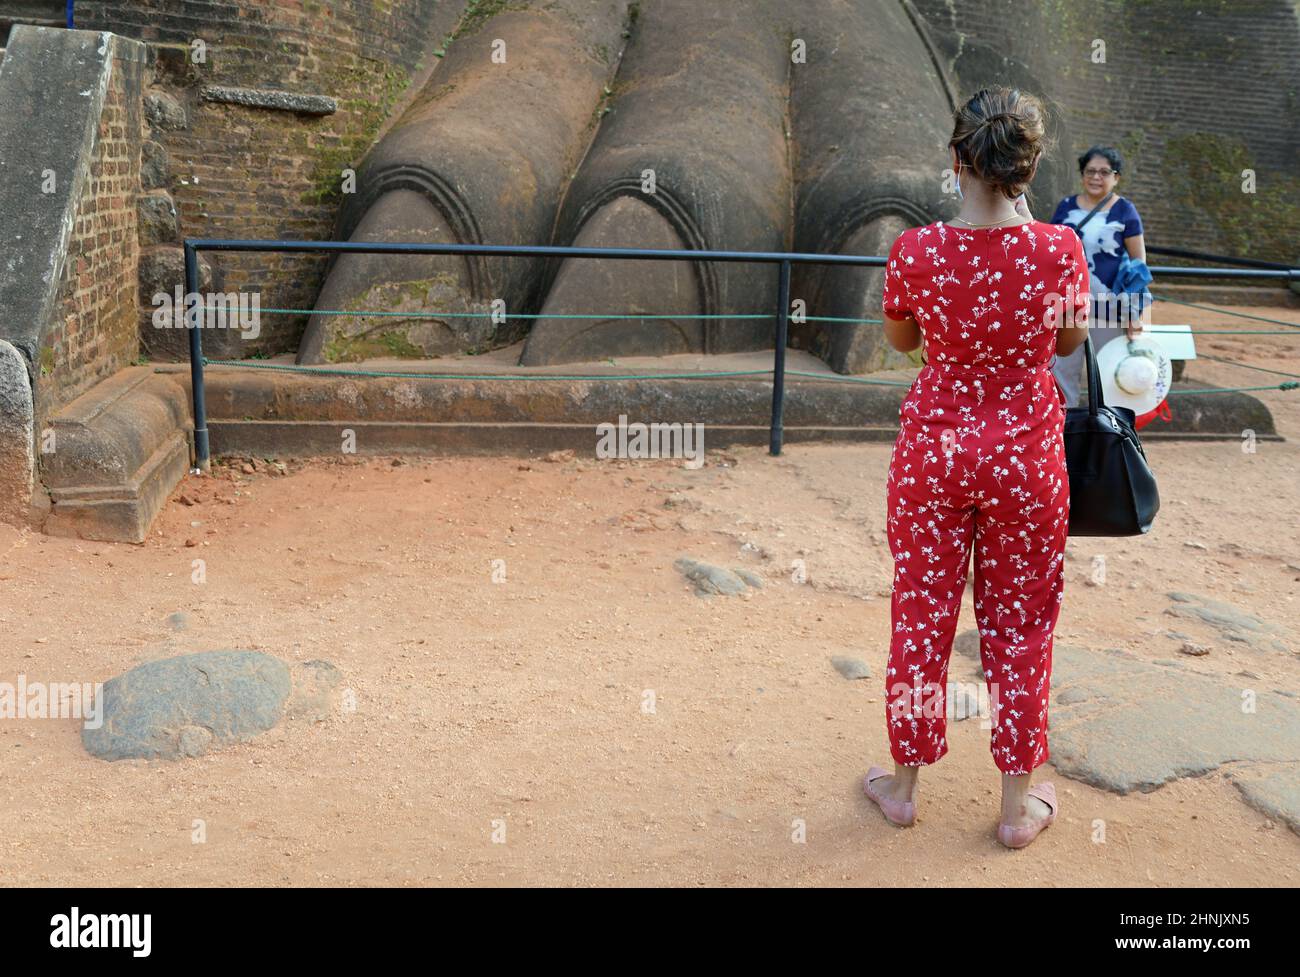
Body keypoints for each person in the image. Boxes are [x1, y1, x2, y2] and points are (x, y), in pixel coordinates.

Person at [866, 86, 1090, 849]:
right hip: (1026, 455)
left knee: (921, 613)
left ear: (957, 158)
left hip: (935, 450)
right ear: (1026, 166)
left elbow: (901, 342)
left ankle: (903, 788)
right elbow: (1064, 347)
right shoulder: (1061, 248)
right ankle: (1015, 807)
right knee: (1023, 624)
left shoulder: (917, 249)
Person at [1049, 145, 1149, 408]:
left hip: (1108, 310)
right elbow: (1052, 256)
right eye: (1090, 171)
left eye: (1105, 172)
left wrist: (1134, 313)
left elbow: (1139, 266)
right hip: (1069, 309)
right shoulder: (1065, 207)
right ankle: (1066, 438)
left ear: (1116, 177)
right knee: (1061, 376)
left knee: (1108, 378)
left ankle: (1107, 440)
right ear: (1082, 174)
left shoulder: (1125, 211)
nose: (1096, 177)